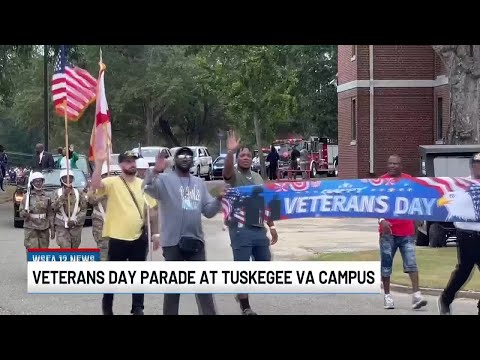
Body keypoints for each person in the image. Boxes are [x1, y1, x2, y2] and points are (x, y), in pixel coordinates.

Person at [143, 146, 223, 315]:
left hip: (196, 241)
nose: (185, 159)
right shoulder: (164, 180)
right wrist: (155, 170)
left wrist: (219, 199)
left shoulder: (199, 183)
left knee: (203, 288)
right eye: (181, 156)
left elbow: (208, 211)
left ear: (192, 161)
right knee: (173, 290)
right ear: (175, 160)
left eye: (188, 156)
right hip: (172, 243)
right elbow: (147, 187)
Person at [91, 150, 158, 316]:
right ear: (121, 165)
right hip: (118, 238)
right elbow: (95, 186)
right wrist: (99, 164)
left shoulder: (143, 184)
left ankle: (138, 308)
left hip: (138, 238)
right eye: (128, 161)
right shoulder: (113, 182)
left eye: (133, 161)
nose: (132, 164)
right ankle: (107, 308)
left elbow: (153, 210)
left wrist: (155, 234)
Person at [222, 130, 279, 315]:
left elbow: (264, 202)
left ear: (252, 158)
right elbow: (226, 172)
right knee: (242, 267)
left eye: (248, 155)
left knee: (265, 261)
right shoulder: (234, 175)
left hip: (258, 228)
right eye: (242, 155)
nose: (245, 157)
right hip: (240, 229)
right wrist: (230, 152)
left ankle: (240, 291)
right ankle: (245, 305)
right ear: (238, 158)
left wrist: (271, 226)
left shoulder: (257, 177)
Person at [378, 154, 427, 310]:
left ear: (401, 165)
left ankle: (417, 296)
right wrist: (381, 220)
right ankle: (387, 296)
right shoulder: (381, 182)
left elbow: (415, 200)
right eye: (390, 163)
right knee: (386, 266)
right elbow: (373, 204)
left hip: (406, 231)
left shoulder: (409, 180)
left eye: (396, 163)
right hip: (387, 233)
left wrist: (417, 218)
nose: (392, 166)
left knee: (411, 264)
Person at [438, 153, 480, 315]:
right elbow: (442, 201)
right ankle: (445, 299)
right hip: (467, 235)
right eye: (477, 163)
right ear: (472, 165)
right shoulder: (460, 185)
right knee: (463, 272)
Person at [51, 170, 88, 249]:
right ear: (61, 179)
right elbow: (53, 207)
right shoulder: (56, 193)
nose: (68, 180)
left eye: (70, 178)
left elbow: (84, 209)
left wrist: (76, 220)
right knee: (65, 248)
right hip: (61, 225)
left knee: (74, 249)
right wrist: (64, 195)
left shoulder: (79, 193)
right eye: (65, 178)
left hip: (76, 226)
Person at [19, 172, 53, 252]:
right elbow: (21, 212)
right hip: (31, 228)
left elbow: (50, 213)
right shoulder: (26, 197)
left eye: (40, 181)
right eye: (36, 181)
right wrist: (25, 213)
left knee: (43, 252)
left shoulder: (47, 196)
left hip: (44, 227)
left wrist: (52, 229)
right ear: (32, 183)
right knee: (32, 250)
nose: (38, 183)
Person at [86, 164, 111, 261]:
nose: (105, 178)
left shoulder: (113, 186)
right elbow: (90, 200)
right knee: (102, 248)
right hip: (99, 221)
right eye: (103, 175)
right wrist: (102, 195)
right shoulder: (94, 187)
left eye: (106, 175)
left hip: (113, 221)